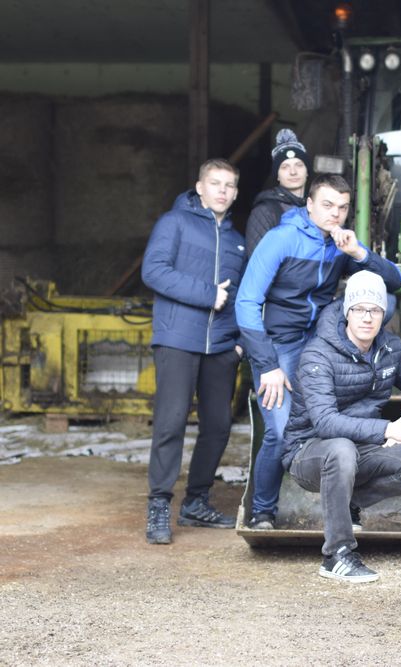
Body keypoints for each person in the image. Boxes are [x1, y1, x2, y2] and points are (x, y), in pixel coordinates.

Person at [236, 173, 401, 531]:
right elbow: (246, 302)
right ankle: (263, 511)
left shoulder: (340, 243)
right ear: (309, 204)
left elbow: (395, 281)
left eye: (342, 207)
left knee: (383, 300)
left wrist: (357, 253)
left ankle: (347, 507)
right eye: (327, 205)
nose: (335, 214)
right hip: (279, 343)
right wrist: (267, 365)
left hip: (320, 341)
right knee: (281, 430)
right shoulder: (281, 239)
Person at [281, 271, 401, 583]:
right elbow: (325, 422)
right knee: (341, 449)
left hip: (361, 448)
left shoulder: (389, 348)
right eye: (359, 309)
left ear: (383, 314)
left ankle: (347, 500)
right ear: (347, 312)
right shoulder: (317, 354)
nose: (367, 317)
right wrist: (388, 430)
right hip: (309, 451)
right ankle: (336, 554)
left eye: (375, 310)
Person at [141, 158, 247, 545]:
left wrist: (239, 343)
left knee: (217, 426)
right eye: (215, 183)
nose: (222, 190)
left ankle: (196, 501)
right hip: (177, 339)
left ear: (235, 193)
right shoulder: (174, 223)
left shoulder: (237, 240)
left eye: (229, 185)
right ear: (200, 187)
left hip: (221, 346)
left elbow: (241, 295)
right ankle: (159, 503)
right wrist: (207, 294)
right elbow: (153, 271)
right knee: (170, 423)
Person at [245, 128, 311, 256]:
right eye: (285, 167)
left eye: (299, 165)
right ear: (277, 176)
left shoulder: (314, 208)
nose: (293, 172)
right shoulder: (265, 211)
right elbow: (258, 259)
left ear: (307, 171)